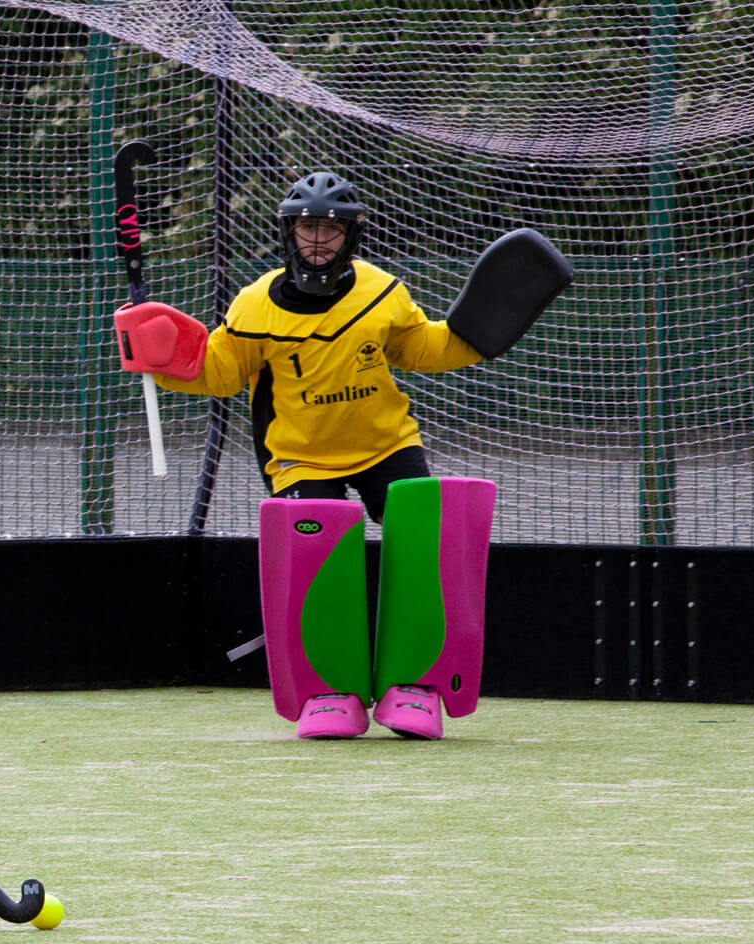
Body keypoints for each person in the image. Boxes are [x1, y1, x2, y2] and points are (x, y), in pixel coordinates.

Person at [127, 170, 495, 739]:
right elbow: (220, 372)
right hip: (301, 459)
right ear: (288, 233)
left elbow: (419, 347)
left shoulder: (383, 292)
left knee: (423, 541)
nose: (318, 240)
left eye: (330, 228)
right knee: (319, 568)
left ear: (352, 234)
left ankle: (413, 685)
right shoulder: (254, 306)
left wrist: (483, 330)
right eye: (307, 228)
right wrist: (160, 353)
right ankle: (332, 691)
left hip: (386, 444)